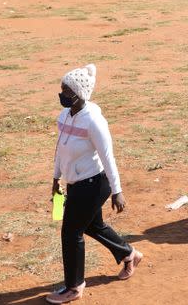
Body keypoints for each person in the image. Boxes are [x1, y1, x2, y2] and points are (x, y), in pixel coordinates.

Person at [49, 64, 142, 304]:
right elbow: (61, 150)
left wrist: (117, 191)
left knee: (71, 232)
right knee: (92, 225)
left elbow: (108, 157)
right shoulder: (65, 115)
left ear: (79, 93)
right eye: (61, 88)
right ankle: (128, 253)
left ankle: (74, 286)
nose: (61, 94)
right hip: (74, 182)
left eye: (66, 90)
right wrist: (56, 178)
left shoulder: (94, 121)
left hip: (94, 184)